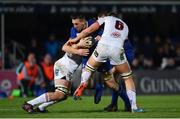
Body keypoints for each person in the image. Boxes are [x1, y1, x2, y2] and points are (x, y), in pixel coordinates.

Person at [72, 12, 144, 113]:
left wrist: (76, 39)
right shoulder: (125, 26)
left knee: (88, 68)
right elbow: (123, 41)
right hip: (117, 49)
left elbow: (90, 29)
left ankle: (83, 83)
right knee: (127, 78)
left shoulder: (106, 19)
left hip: (102, 47)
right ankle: (134, 107)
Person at [21, 32, 90, 113]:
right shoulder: (77, 38)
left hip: (68, 70)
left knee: (63, 96)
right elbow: (65, 48)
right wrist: (78, 47)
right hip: (63, 66)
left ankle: (41, 108)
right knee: (60, 94)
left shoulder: (87, 43)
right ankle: (29, 104)